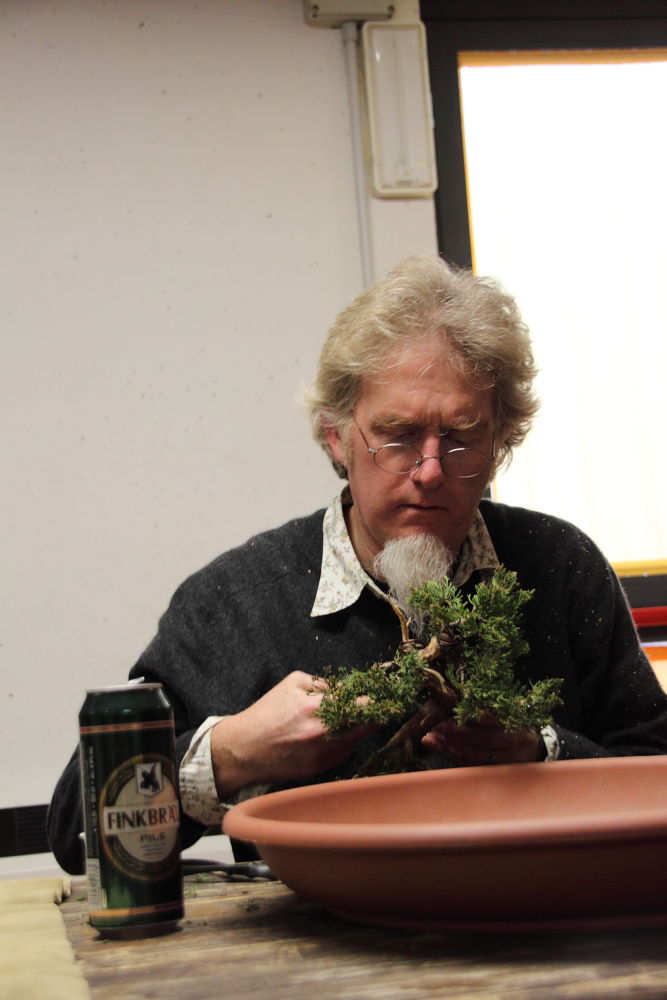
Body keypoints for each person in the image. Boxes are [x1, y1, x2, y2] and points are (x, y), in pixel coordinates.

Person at [48, 255, 667, 874]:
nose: (430, 471)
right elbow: (78, 828)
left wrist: (542, 750)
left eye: (461, 438)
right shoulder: (236, 601)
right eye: (398, 435)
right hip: (319, 930)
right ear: (337, 437)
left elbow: (653, 768)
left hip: (537, 920)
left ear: (500, 440)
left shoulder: (559, 568)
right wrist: (234, 754)